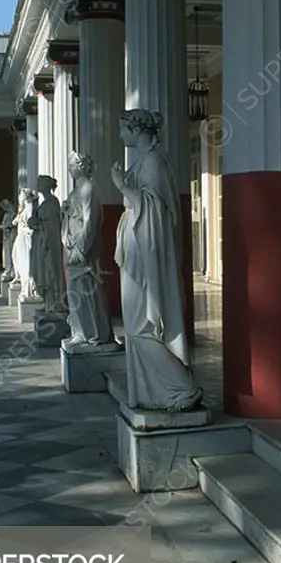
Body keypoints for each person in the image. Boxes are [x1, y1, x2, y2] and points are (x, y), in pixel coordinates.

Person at [112, 108, 202, 411]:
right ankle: (158, 392)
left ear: (136, 130)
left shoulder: (152, 162)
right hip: (137, 254)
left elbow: (157, 215)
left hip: (146, 260)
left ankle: (182, 386)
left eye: (123, 128)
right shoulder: (145, 161)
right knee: (137, 328)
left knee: (141, 329)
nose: (120, 134)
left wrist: (123, 187)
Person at [61, 152, 114, 346]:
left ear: (81, 166)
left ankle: (94, 332)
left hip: (84, 250)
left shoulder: (88, 189)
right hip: (72, 246)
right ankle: (80, 331)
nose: (69, 168)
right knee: (75, 290)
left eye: (72, 164)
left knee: (88, 289)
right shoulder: (77, 190)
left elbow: (90, 223)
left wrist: (81, 250)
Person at [31, 175, 65, 316]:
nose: (37, 185)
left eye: (39, 183)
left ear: (45, 186)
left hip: (47, 244)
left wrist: (38, 225)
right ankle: (48, 304)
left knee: (49, 272)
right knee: (42, 272)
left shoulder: (52, 203)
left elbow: (52, 227)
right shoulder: (44, 203)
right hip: (40, 242)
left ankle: (54, 304)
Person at [0, 198, 16, 281]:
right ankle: (8, 269)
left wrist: (7, 226)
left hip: (11, 234)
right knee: (7, 252)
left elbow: (13, 224)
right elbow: (4, 223)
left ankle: (12, 270)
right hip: (6, 235)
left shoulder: (14, 214)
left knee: (11, 252)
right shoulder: (7, 214)